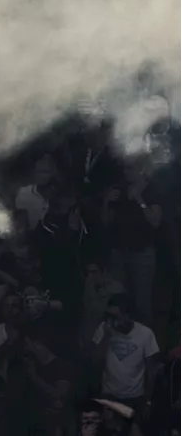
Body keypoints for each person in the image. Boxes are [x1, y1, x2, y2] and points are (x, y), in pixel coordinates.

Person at [103, 160, 162, 326]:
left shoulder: (151, 189)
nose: (126, 171)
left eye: (130, 167)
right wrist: (106, 202)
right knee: (119, 299)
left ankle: (146, 345)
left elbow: (155, 221)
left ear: (140, 168)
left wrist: (139, 199)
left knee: (143, 303)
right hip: (119, 252)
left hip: (142, 253)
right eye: (124, 167)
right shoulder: (118, 189)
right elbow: (105, 221)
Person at [91, 294, 161, 420]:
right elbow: (94, 360)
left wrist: (148, 401)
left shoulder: (145, 334)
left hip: (135, 396)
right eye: (108, 315)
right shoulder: (104, 328)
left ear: (127, 315)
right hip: (109, 394)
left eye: (115, 316)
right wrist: (106, 336)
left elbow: (152, 371)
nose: (111, 320)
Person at [16, 155, 59, 230]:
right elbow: (21, 225)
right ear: (34, 173)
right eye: (39, 172)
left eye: (46, 172)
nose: (42, 176)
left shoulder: (58, 194)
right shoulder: (24, 193)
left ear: (53, 173)